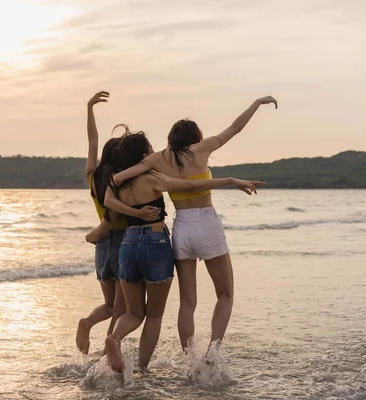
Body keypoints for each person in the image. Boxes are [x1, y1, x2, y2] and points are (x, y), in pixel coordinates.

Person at [111, 96, 278, 351]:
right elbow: (235, 127)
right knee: (225, 295)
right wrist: (256, 103)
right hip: (207, 224)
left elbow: (121, 177)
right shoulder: (201, 149)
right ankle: (213, 350)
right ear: (195, 137)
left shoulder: (158, 159)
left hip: (183, 229)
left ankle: (190, 358)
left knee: (187, 302)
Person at [90, 129, 264, 372]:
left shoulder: (115, 181)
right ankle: (142, 368)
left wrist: (134, 213)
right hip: (155, 242)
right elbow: (187, 186)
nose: (154, 152)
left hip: (127, 245)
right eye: (150, 149)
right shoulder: (152, 178)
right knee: (154, 316)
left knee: (133, 312)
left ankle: (115, 338)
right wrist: (230, 181)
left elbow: (108, 203)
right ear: (142, 155)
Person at [76, 92, 160, 355]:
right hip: (124, 241)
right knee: (122, 308)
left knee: (109, 305)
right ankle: (108, 351)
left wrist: (89, 108)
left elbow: (92, 139)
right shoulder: (123, 180)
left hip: (101, 245)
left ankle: (88, 322)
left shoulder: (93, 176)